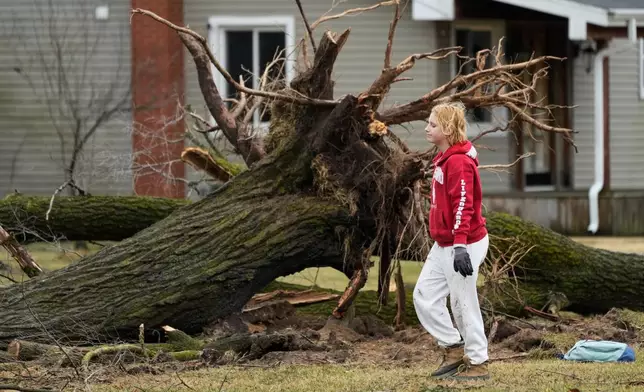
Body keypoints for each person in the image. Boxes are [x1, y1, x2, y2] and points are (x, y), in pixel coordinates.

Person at [413, 102, 490, 381]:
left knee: (462, 302)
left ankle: (479, 363)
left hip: (464, 244)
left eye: (432, 124)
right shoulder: (446, 158)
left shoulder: (459, 161)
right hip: (445, 242)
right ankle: (454, 349)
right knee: (424, 296)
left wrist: (460, 246)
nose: (427, 128)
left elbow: (463, 206)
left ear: (446, 129)